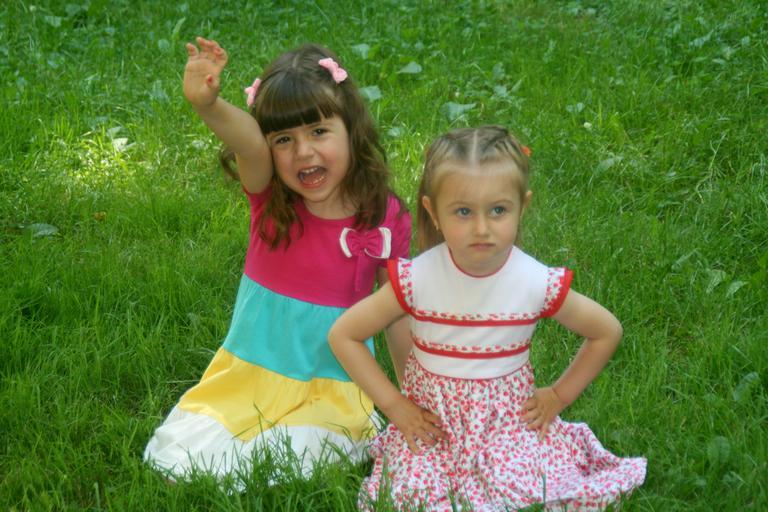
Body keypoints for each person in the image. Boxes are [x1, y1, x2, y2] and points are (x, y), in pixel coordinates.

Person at [329, 126, 646, 511]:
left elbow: (606, 331)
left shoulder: (533, 282)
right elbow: (344, 335)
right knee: (412, 499)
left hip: (506, 430)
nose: (482, 228)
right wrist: (395, 406)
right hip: (432, 428)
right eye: (463, 212)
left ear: (522, 207)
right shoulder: (417, 279)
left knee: (522, 494)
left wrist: (558, 396)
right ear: (433, 211)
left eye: (498, 210)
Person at [143, 37, 413, 484]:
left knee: (304, 453)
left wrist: (411, 396)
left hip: (333, 383)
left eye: (319, 132)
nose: (303, 152)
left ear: (352, 129)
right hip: (251, 376)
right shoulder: (270, 200)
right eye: (284, 139)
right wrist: (208, 105)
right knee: (194, 455)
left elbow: (397, 314)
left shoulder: (386, 216)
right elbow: (249, 143)